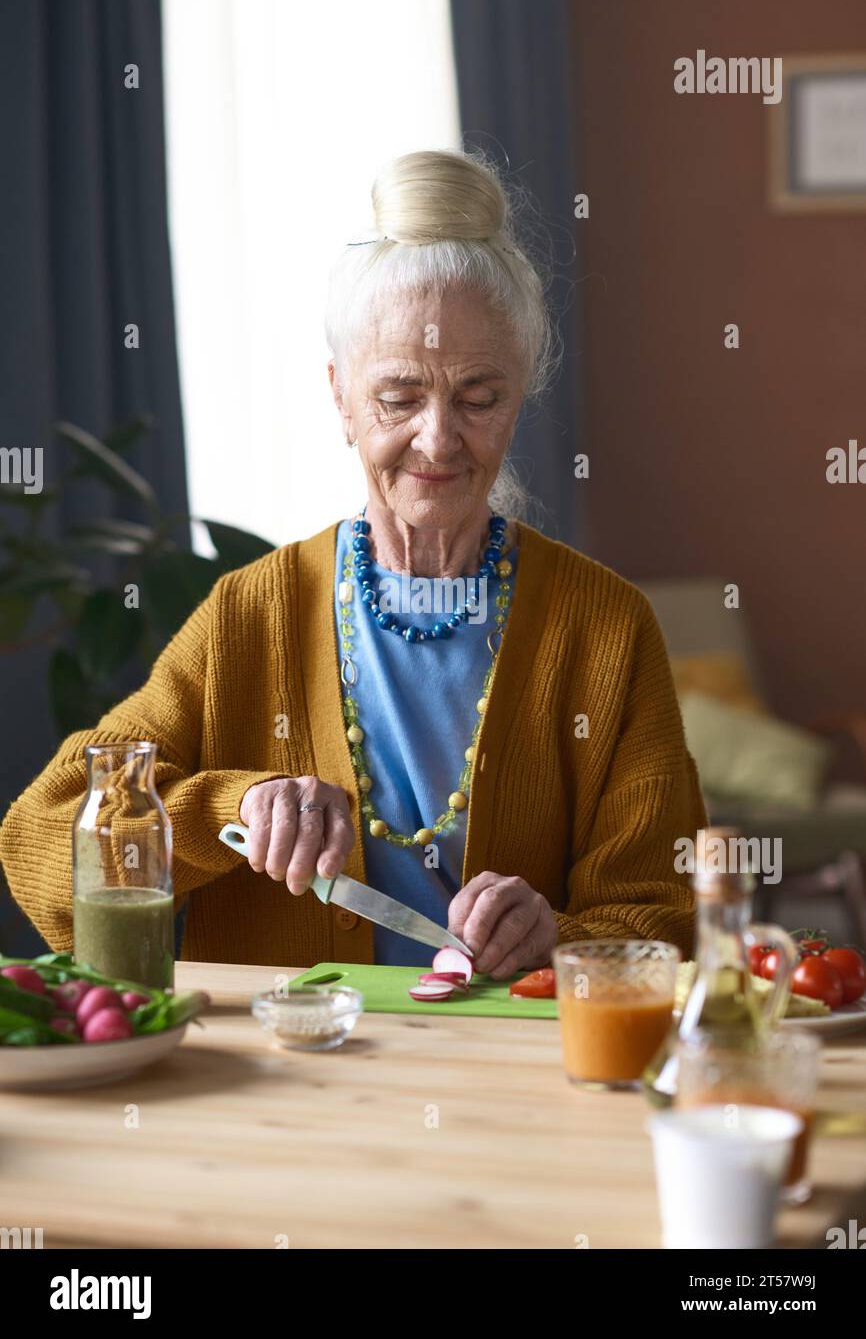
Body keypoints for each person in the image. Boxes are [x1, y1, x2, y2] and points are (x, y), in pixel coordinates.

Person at [0, 149, 706, 976]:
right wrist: (230, 806)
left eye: (478, 397)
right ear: (340, 397)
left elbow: (671, 910)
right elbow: (40, 844)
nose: (438, 440)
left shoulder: (606, 628)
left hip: (513, 1082)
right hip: (292, 1075)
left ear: (521, 397)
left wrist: (562, 937)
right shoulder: (248, 616)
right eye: (400, 397)